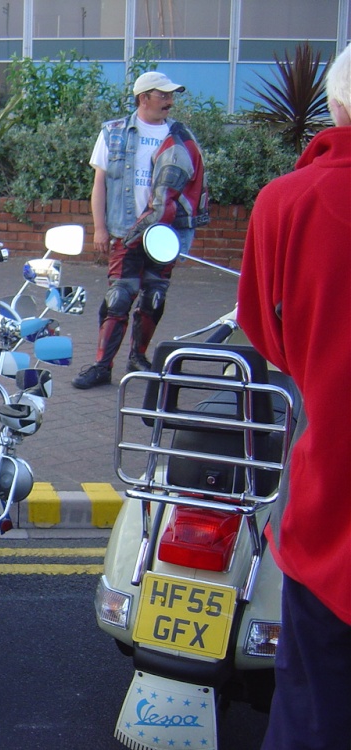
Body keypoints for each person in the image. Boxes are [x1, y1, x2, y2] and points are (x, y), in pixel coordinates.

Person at [237, 43, 351, 750]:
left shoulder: (289, 202)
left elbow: (271, 342)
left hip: (330, 515)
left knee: (313, 714)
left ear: (336, 103)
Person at [72, 71, 209, 389]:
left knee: (154, 297)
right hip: (125, 231)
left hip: (164, 233)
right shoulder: (114, 132)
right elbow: (100, 184)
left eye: (171, 96)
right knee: (119, 297)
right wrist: (100, 229)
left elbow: (190, 187)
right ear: (143, 97)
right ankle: (102, 366)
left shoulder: (180, 136)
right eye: (164, 96)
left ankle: (138, 357)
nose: (170, 102)